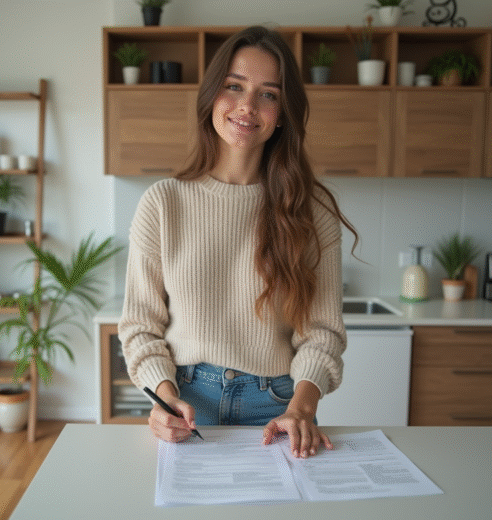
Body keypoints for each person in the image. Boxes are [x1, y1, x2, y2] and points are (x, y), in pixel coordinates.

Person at [118, 25, 358, 459]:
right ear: (212, 95)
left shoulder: (312, 210)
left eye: (268, 94)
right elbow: (140, 328)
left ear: (282, 113)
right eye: (234, 86)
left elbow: (322, 333)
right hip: (188, 403)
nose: (248, 106)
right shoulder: (163, 203)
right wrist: (164, 398)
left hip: (278, 407)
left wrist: (301, 409)